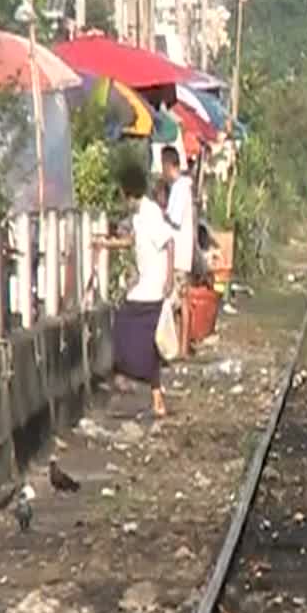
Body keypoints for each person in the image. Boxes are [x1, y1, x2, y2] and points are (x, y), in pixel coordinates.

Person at [97, 161, 174, 418]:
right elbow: (134, 241)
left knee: (122, 326)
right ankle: (157, 399)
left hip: (152, 287)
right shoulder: (140, 215)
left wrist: (170, 277)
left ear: (129, 192)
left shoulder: (151, 212)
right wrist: (108, 244)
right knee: (148, 344)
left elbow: (169, 241)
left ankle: (122, 377)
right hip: (146, 285)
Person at [162, 146, 194, 360]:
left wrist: (158, 214)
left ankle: (180, 347)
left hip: (179, 253)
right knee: (181, 300)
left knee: (179, 300)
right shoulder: (181, 187)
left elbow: (173, 218)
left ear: (168, 165)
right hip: (181, 252)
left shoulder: (180, 189)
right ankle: (179, 346)